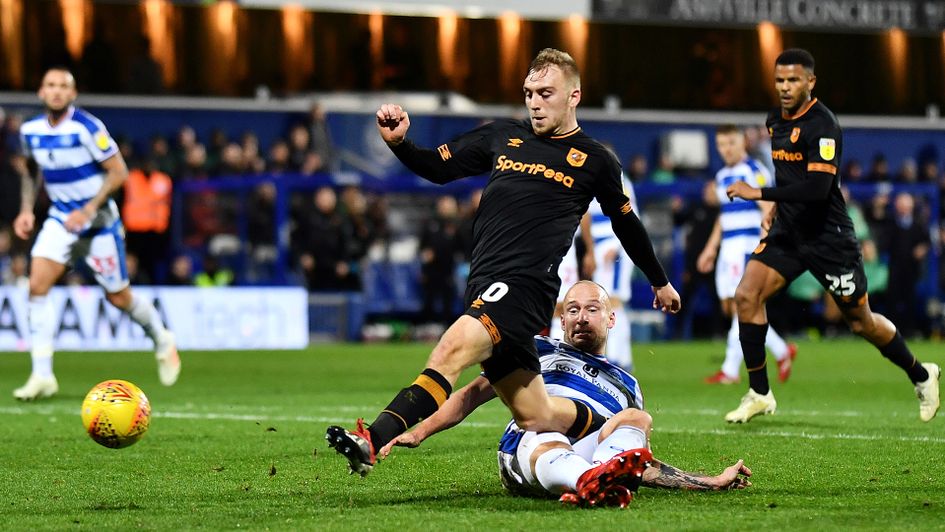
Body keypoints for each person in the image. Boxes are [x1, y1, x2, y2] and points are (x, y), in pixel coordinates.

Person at [326, 48, 680, 477]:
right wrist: (401, 143)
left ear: (574, 96)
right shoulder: (503, 136)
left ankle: (371, 439)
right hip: (485, 284)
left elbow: (626, 223)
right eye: (529, 93)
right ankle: (610, 425)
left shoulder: (595, 160)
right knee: (537, 414)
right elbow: (439, 168)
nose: (534, 102)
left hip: (523, 287)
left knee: (450, 350)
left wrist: (659, 281)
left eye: (545, 93)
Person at [379, 281, 751, 507]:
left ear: (611, 319)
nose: (581, 317)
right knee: (547, 427)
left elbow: (638, 463)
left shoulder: (628, 385)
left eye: (592, 309)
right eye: (572, 310)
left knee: (638, 418)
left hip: (583, 453)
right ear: (562, 319)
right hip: (530, 446)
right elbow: (470, 395)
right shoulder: (538, 348)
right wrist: (419, 430)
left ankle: (595, 479)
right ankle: (590, 479)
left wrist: (708, 482)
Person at [723, 49, 939, 423]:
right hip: (789, 233)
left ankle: (922, 374)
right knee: (747, 295)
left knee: (861, 322)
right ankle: (759, 393)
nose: (785, 87)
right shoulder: (775, 119)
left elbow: (818, 188)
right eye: (779, 80)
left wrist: (759, 194)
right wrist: (776, 209)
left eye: (793, 80)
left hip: (828, 238)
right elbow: (789, 175)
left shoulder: (823, 125)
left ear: (810, 81)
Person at [11, 67, 180, 400]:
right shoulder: (30, 130)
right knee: (37, 286)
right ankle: (42, 375)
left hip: (99, 223)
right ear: (41, 92)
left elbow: (119, 172)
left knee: (118, 297)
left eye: (63, 86)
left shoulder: (88, 127)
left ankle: (162, 338)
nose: (56, 91)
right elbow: (30, 172)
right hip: (62, 220)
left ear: (73, 94)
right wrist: (27, 209)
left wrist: (88, 210)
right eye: (50, 85)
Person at [697, 125, 796, 385]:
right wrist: (711, 248)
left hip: (745, 246)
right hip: (728, 248)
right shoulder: (722, 176)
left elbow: (768, 207)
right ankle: (782, 351)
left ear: (743, 143)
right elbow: (724, 215)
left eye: (731, 143)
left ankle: (730, 369)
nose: (726, 149)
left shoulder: (754, 170)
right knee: (731, 308)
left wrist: (766, 243)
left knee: (742, 305)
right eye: (721, 145)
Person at [551, 171, 637, 371]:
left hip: (610, 243)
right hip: (586, 244)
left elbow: (629, 213)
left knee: (611, 300)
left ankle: (617, 359)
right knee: (597, 301)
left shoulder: (616, 178)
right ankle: (616, 358)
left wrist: (617, 244)